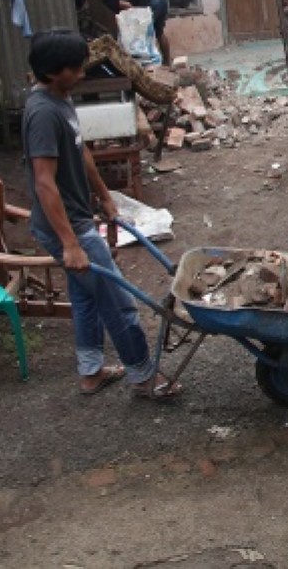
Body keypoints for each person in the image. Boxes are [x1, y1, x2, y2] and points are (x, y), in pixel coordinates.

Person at [22, 31, 180, 400]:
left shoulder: (60, 99)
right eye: (75, 68)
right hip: (67, 226)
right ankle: (143, 376)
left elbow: (82, 153)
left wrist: (106, 199)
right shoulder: (43, 113)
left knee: (86, 297)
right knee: (115, 299)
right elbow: (45, 183)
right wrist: (70, 244)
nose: (81, 73)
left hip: (78, 218)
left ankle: (90, 372)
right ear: (53, 71)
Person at [91, 0, 172, 67]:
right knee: (159, 33)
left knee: (139, 34)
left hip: (150, 4)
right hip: (161, 1)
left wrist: (135, 18)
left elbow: (127, 5)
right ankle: (168, 63)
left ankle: (147, 66)